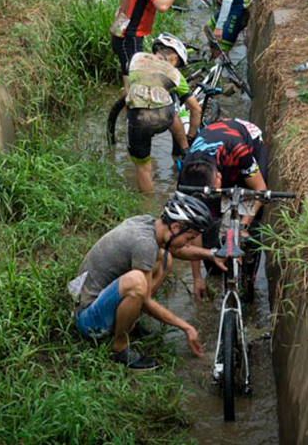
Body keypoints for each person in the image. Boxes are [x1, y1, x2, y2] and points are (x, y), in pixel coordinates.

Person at [71, 192, 227, 369]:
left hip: (96, 298)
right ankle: (120, 348)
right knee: (137, 283)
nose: (187, 243)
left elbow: (175, 250)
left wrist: (211, 255)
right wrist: (186, 327)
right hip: (88, 320)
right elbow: (144, 298)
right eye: (189, 238)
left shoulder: (148, 223)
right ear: (176, 227)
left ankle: (128, 320)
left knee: (164, 258)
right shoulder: (144, 243)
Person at [177, 118, 269, 300]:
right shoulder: (187, 177)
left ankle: (249, 280)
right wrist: (197, 278)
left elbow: (261, 191)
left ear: (219, 175)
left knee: (251, 211)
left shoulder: (238, 151)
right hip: (213, 156)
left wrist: (243, 226)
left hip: (246, 140)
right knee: (206, 220)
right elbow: (192, 231)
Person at [110, 0, 196, 90]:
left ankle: (125, 111)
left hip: (127, 33)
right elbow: (162, 6)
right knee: (135, 87)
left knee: (131, 82)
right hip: (129, 36)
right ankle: (128, 112)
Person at [126, 33, 202, 193]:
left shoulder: (136, 58)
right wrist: (192, 136)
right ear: (174, 57)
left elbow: (128, 89)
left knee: (143, 166)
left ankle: (148, 206)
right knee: (171, 110)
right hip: (164, 118)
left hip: (138, 119)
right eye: (178, 62)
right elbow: (196, 109)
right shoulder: (175, 74)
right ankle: (184, 148)